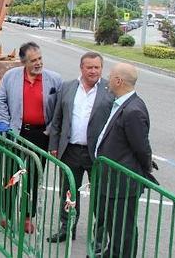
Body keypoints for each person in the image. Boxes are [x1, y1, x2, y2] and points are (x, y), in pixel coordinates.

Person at [0, 41, 63, 233]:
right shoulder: (11, 77)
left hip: (41, 135)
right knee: (11, 175)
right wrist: (8, 126)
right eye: (33, 60)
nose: (38, 63)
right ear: (23, 62)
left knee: (34, 178)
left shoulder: (54, 79)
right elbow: (0, 101)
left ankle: (27, 217)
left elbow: (59, 110)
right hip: (16, 132)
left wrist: (49, 130)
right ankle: (6, 214)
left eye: (40, 58)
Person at [46, 52, 114, 244]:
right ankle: (67, 228)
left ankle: (99, 237)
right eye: (89, 67)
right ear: (81, 68)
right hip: (70, 151)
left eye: (97, 67)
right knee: (68, 192)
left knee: (100, 197)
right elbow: (57, 120)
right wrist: (53, 146)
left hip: (98, 155)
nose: (93, 71)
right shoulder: (67, 87)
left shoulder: (110, 89)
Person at [94, 63, 155, 258]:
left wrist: (145, 169)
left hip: (123, 182)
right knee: (114, 225)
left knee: (123, 229)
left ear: (118, 81)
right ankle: (112, 253)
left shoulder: (133, 110)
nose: (107, 80)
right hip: (112, 180)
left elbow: (141, 148)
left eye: (110, 76)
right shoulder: (122, 103)